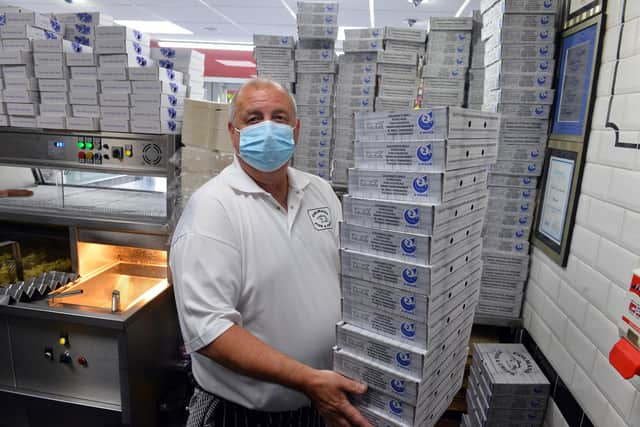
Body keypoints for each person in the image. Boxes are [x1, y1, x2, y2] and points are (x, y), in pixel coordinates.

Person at [170, 79, 372, 427]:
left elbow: (346, 276)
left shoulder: (320, 192)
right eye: (253, 118)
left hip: (319, 403)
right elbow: (210, 331)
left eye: (279, 117)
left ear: (296, 130)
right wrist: (307, 380)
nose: (268, 127)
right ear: (233, 133)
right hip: (242, 415)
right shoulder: (213, 209)